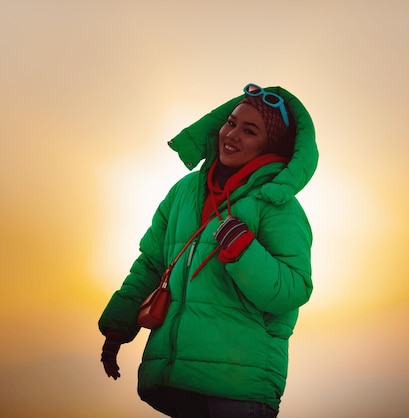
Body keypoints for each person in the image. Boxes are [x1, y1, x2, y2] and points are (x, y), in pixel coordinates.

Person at [98, 83, 318, 417]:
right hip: (176, 383)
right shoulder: (184, 192)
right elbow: (151, 264)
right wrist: (118, 325)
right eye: (230, 123)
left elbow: (293, 290)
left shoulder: (278, 206)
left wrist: (245, 253)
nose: (232, 135)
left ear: (270, 143)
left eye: (250, 130)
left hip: (239, 390)